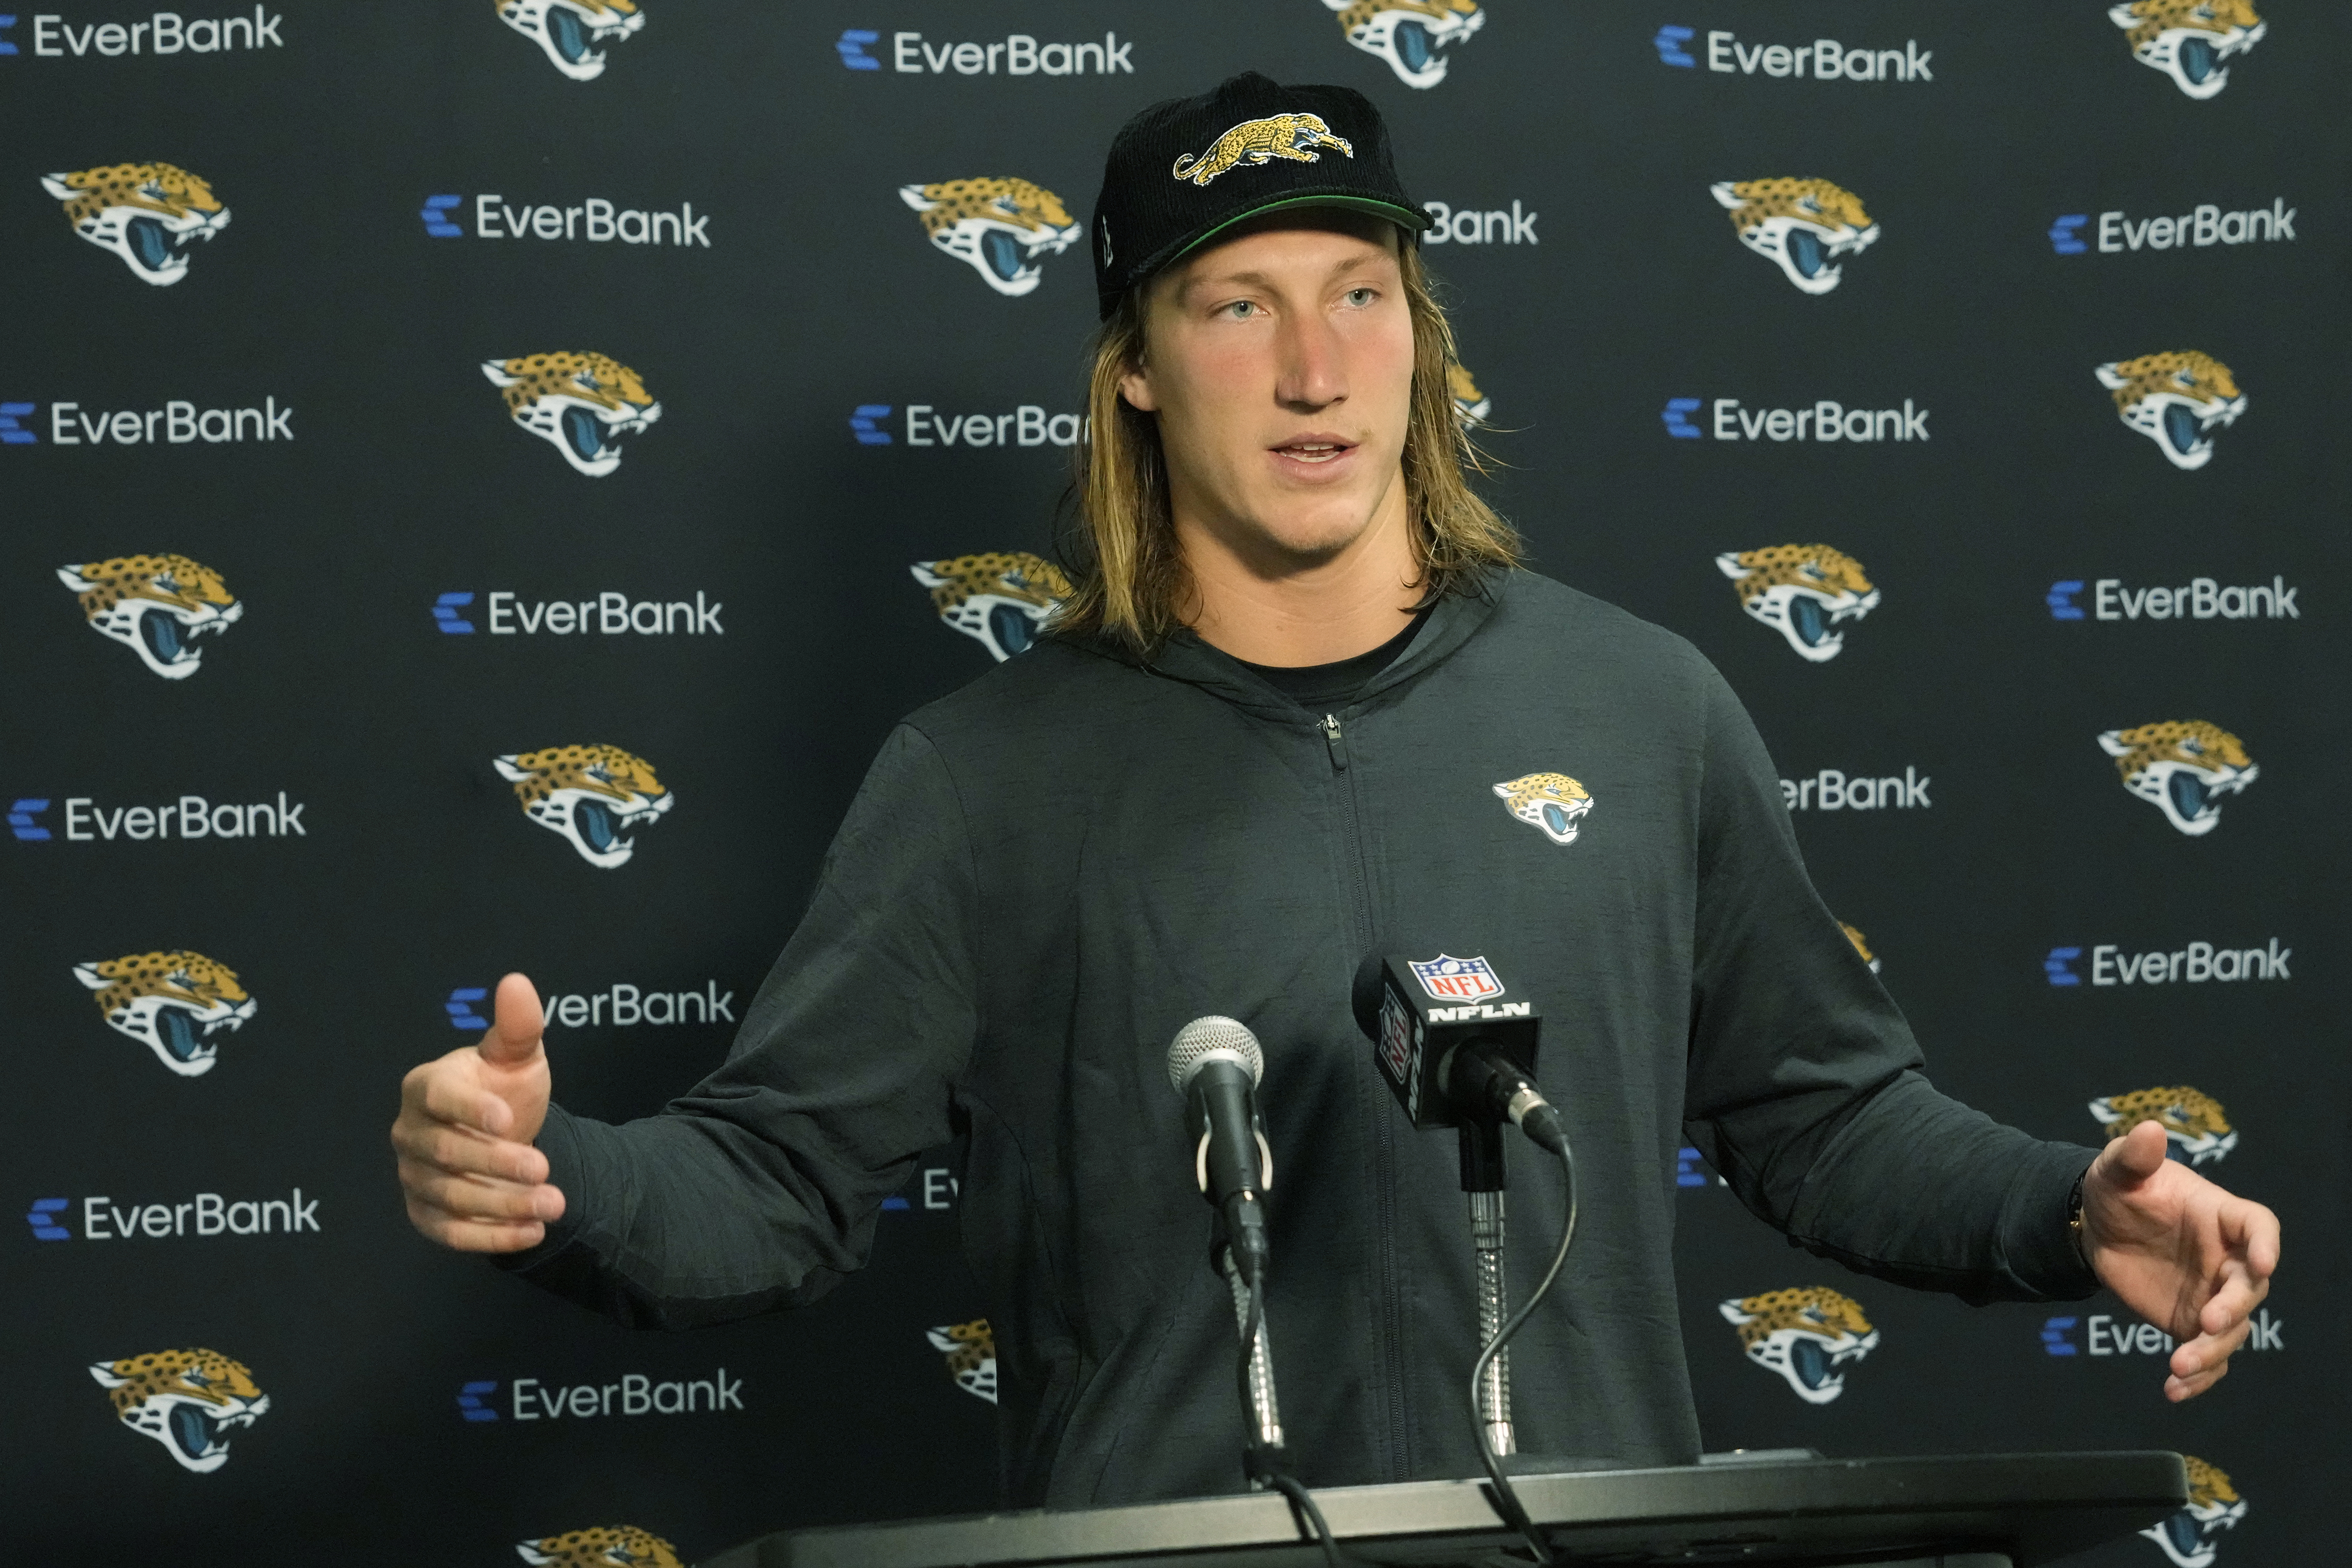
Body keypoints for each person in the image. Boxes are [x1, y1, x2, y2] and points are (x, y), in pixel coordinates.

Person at [391, 73, 2279, 1508]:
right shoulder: (982, 779)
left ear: (1423, 338)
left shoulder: (1644, 704)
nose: (1315, 368)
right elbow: (776, 1179)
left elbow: (1826, 1112)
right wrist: (562, 1181)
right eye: (1236, 306)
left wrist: (2064, 1212)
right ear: (1134, 367)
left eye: (1360, 293)